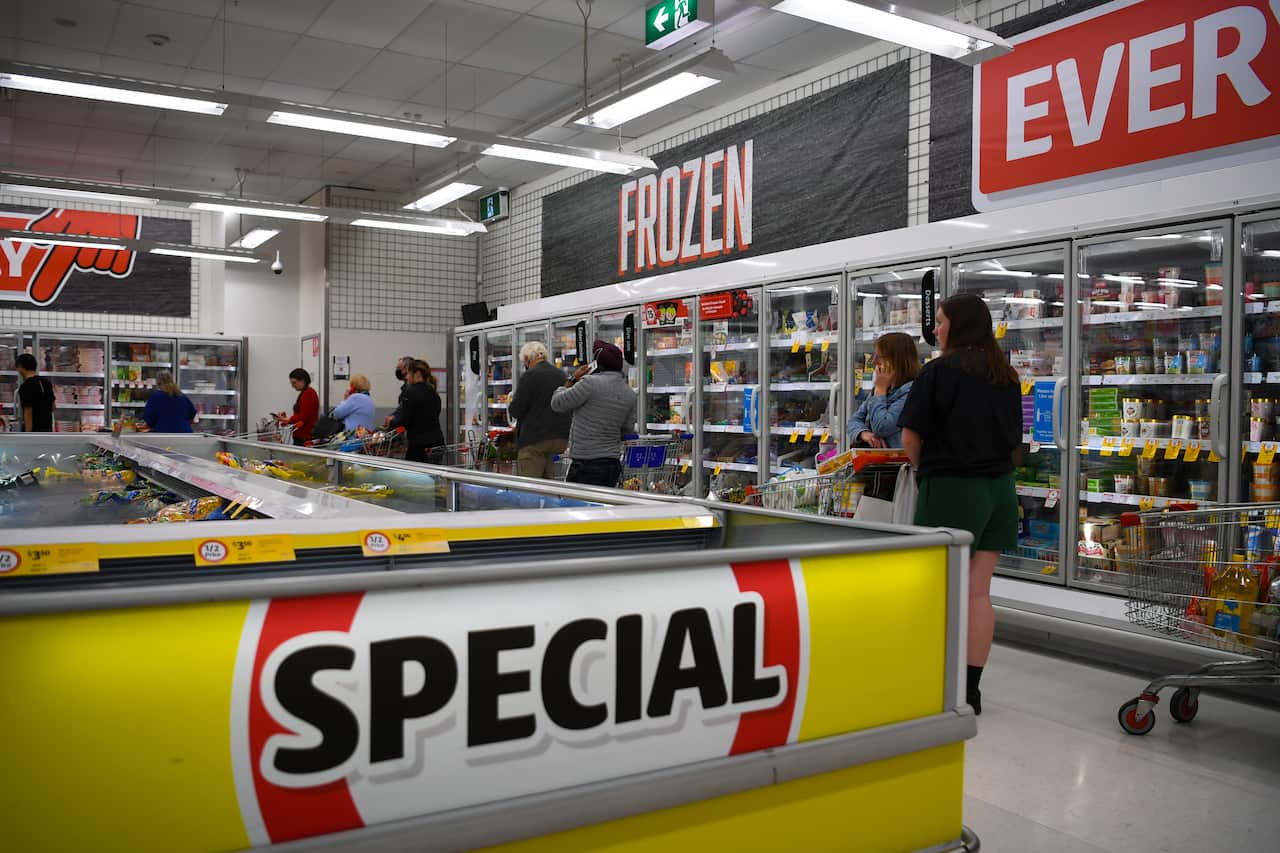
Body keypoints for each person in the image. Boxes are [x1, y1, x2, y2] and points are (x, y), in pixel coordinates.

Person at [898, 292, 1022, 716]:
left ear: (959, 326)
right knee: (978, 593)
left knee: (937, 590)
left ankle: (934, 681)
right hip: (999, 489)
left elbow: (910, 439)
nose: (936, 328)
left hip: (953, 487)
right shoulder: (1006, 375)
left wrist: (923, 471)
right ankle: (970, 690)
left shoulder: (938, 373)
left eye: (942, 321)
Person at [551, 341, 636, 487]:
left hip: (586, 462)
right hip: (612, 463)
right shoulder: (629, 392)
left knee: (577, 507)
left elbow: (557, 403)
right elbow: (627, 430)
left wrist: (572, 379)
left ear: (597, 363)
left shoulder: (589, 383)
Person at [508, 341, 571, 478]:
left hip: (535, 439)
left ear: (526, 359)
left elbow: (516, 410)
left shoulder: (530, 375)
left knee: (531, 489)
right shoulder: (560, 374)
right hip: (560, 439)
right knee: (549, 486)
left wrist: (511, 404)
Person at [848, 332, 920, 448]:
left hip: (899, 463)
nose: (874, 362)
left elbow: (882, 427)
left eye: (879, 357)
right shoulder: (882, 388)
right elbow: (854, 420)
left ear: (897, 360)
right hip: (876, 461)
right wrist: (863, 433)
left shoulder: (912, 393)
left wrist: (880, 391)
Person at [388, 359, 444, 463]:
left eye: (408, 373)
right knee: (432, 476)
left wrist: (391, 421)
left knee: (415, 477)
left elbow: (404, 420)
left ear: (417, 374)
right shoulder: (433, 392)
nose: (406, 377)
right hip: (437, 443)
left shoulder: (410, 392)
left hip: (420, 445)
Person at [277, 368, 319, 445]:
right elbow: (301, 415)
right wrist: (287, 419)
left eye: (294, 383)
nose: (292, 386)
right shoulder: (305, 393)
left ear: (302, 380)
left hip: (305, 437)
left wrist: (289, 419)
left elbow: (304, 416)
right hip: (301, 435)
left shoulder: (309, 393)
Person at [15, 353, 55, 432]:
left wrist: (28, 435)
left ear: (20, 367)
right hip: (47, 430)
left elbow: (28, 412)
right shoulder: (46, 383)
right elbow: (53, 406)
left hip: (34, 431)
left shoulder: (25, 386)